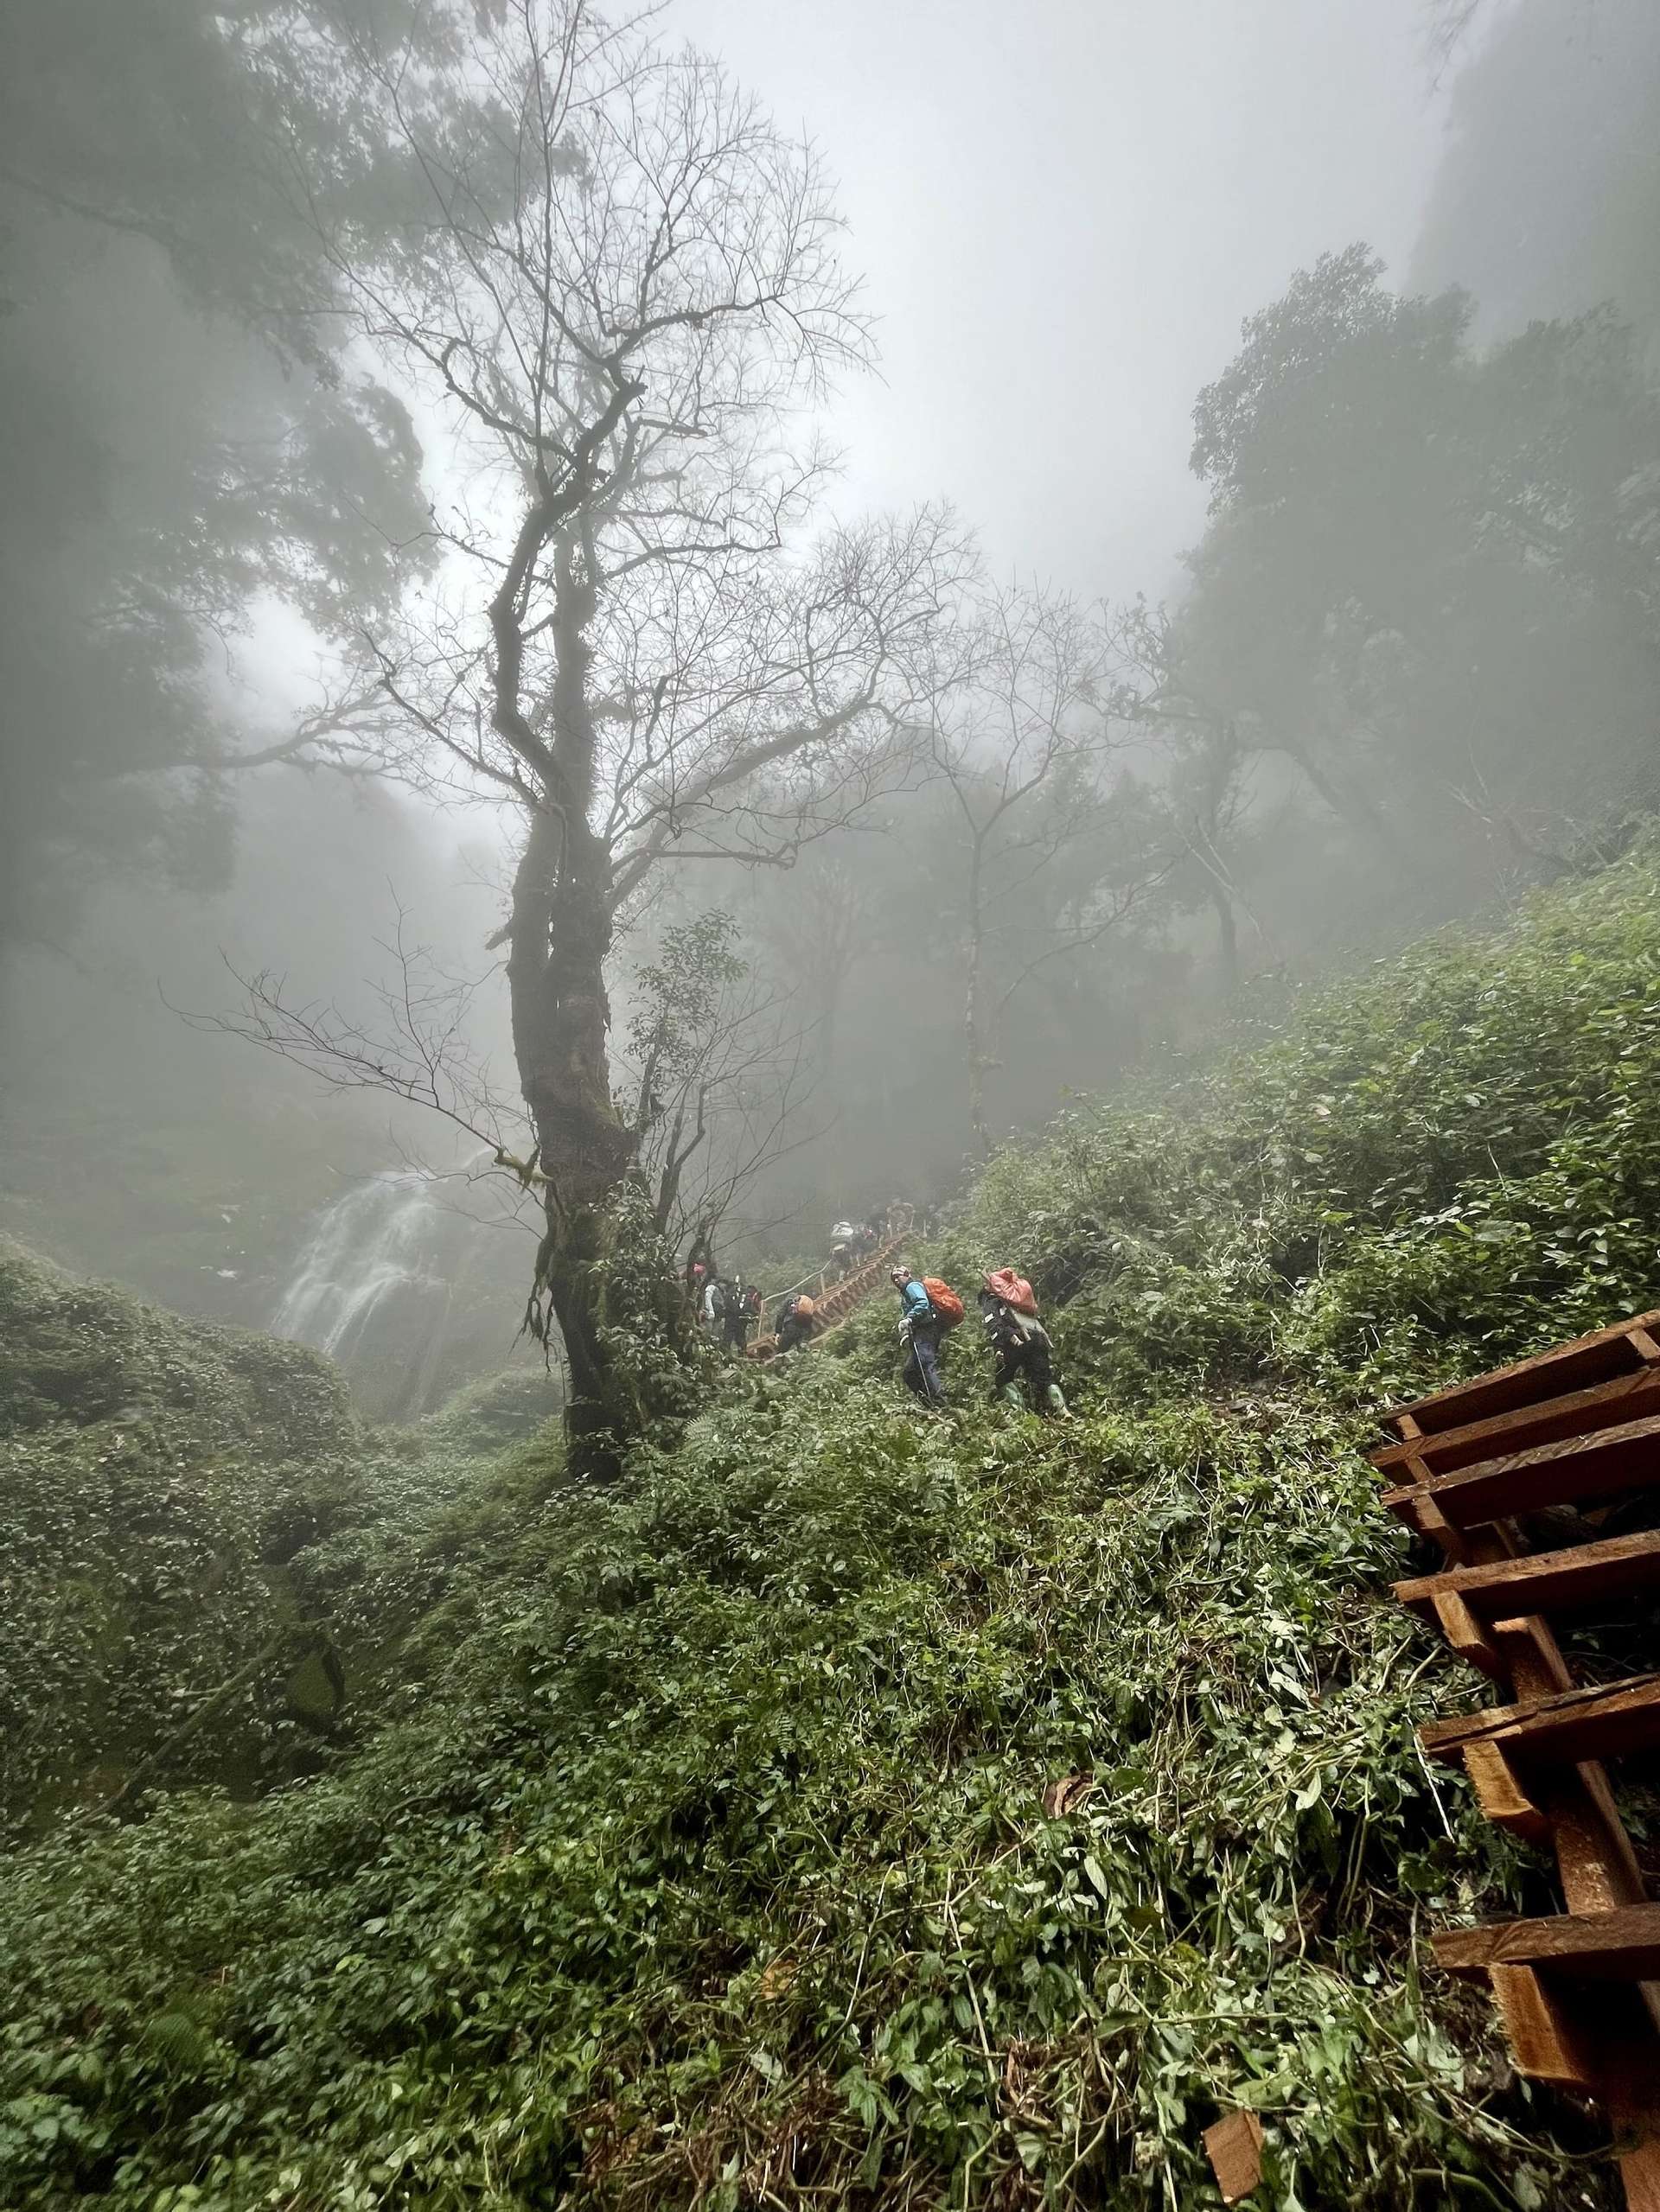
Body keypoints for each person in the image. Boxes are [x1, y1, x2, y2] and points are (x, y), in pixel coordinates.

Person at [978, 1271, 1068, 1416]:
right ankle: (1063, 1410)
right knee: (1045, 1378)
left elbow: (994, 1325)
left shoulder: (991, 1301)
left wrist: (999, 1349)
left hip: (1015, 1341)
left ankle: (1021, 1415)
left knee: (1003, 1379)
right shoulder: (1018, 1303)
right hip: (1037, 1337)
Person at [891, 1263, 946, 1405]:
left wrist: (909, 1318)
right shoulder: (906, 1292)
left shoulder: (912, 1286)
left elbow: (922, 1303)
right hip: (920, 1332)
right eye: (893, 1279)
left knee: (925, 1365)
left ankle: (939, 1403)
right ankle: (928, 1403)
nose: (896, 1280)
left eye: (898, 1277)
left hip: (926, 1330)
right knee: (909, 1373)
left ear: (907, 1275)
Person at [776, 1291, 815, 1355]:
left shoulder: (788, 1302)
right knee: (804, 1351)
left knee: (781, 1352)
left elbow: (780, 1316)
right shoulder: (805, 1300)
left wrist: (778, 1332)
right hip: (805, 1329)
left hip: (791, 1328)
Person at [724, 1274, 752, 1351]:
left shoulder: (746, 1295)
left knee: (741, 1339)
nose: (738, 1286)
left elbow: (748, 1306)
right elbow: (728, 1305)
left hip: (741, 1321)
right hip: (731, 1319)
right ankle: (725, 1354)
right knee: (727, 1339)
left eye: (739, 1284)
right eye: (736, 1284)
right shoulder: (730, 1294)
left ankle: (742, 1354)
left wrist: (748, 1315)